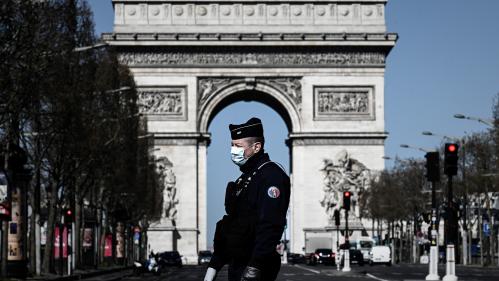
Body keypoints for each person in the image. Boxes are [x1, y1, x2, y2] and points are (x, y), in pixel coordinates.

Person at [204, 117, 290, 281]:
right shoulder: (244, 178)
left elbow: (270, 226)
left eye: (238, 146)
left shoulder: (272, 177)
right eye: (231, 145)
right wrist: (214, 266)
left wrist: (255, 267)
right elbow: (232, 226)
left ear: (256, 147)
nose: (233, 150)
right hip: (239, 264)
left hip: (256, 268)